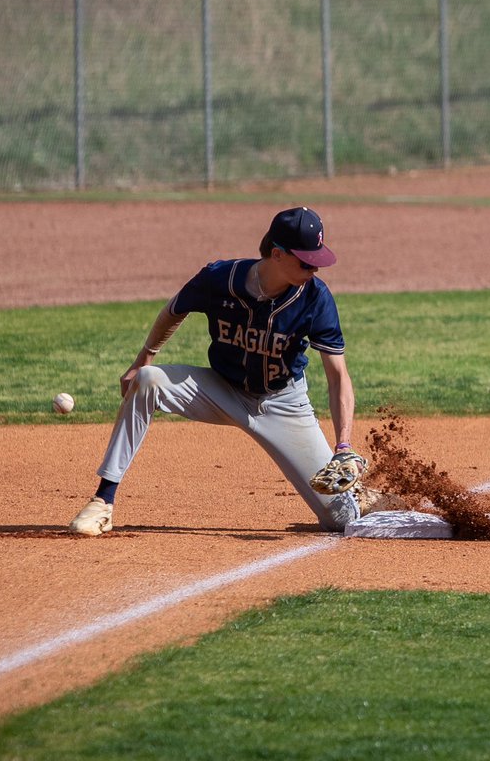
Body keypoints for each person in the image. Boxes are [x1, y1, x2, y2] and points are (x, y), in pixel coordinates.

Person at [68, 206, 363, 535]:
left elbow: (338, 376)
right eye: (306, 261)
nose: (314, 268)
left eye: (317, 260)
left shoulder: (315, 298)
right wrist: (144, 359)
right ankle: (103, 501)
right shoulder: (221, 278)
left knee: (344, 520)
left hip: (282, 404)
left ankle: (361, 497)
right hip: (221, 391)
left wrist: (344, 446)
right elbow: (173, 311)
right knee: (148, 381)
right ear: (277, 254)